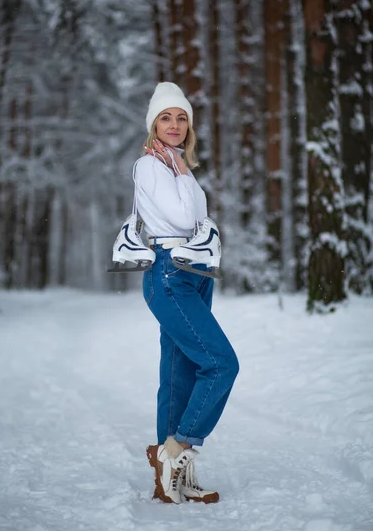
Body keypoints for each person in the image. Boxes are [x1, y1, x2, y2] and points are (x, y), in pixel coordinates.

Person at [134, 82, 239, 504]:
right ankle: (175, 448)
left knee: (178, 376)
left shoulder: (178, 165)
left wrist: (183, 176)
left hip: (193, 273)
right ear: (153, 124)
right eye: (166, 117)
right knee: (220, 363)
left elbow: (198, 216)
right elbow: (184, 215)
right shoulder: (151, 166)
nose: (174, 125)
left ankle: (172, 474)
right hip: (169, 275)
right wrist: (181, 178)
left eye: (181, 118)